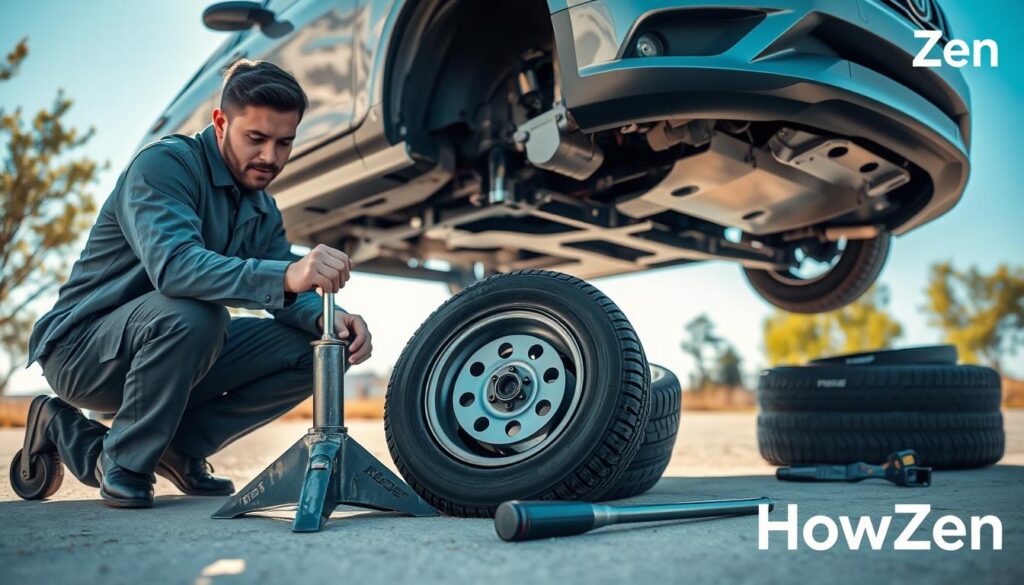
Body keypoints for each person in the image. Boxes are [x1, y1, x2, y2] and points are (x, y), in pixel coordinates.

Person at [21, 59, 372, 509]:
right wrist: (286, 274)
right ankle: (110, 453)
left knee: (322, 347)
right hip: (83, 353)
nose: (271, 157)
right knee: (197, 313)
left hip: (176, 348)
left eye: (284, 142)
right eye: (256, 138)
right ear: (221, 123)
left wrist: (332, 318)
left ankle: (179, 448)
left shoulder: (262, 208)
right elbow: (174, 267)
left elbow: (287, 292)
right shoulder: (164, 165)